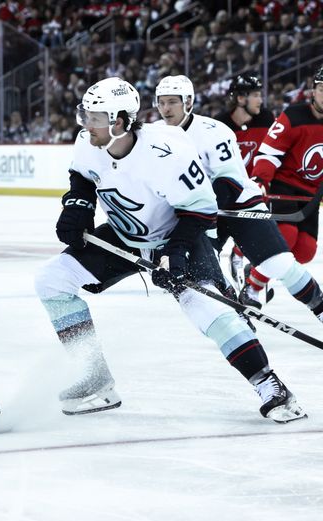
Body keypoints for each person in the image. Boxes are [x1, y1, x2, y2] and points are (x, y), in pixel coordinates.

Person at [34, 77, 304, 423]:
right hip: (124, 236)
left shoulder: (165, 153)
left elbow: (202, 208)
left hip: (177, 235)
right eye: (84, 115)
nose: (86, 124)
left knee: (208, 310)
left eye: (95, 118)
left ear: (120, 121)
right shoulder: (89, 142)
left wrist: (174, 252)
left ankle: (270, 385)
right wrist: (77, 208)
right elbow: (83, 178)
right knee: (51, 281)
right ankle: (95, 378)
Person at [154, 75, 323, 320]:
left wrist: (205, 213)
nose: (166, 109)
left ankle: (319, 307)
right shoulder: (153, 137)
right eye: (161, 102)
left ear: (188, 102)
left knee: (280, 262)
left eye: (172, 101)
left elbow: (229, 182)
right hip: (198, 215)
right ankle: (236, 312)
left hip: (239, 203)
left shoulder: (214, 130)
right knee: (204, 275)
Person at [251, 66, 323, 294]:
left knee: (305, 251)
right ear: (313, 91)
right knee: (287, 236)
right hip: (285, 187)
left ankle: (261, 267)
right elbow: (268, 152)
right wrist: (260, 181)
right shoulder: (293, 115)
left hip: (311, 193)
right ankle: (253, 285)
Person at [214, 74, 276, 290]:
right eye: (255, 95)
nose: (260, 100)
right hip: (226, 193)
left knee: (263, 240)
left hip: (254, 192)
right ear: (241, 99)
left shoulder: (267, 119)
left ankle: (241, 258)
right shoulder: (219, 125)